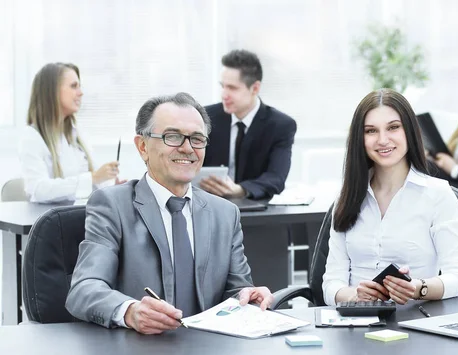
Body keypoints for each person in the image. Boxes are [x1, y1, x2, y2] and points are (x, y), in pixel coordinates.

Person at [66, 92, 273, 334]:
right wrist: (130, 311)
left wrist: (249, 296)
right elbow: (84, 288)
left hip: (208, 347)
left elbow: (236, 291)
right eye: (172, 137)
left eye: (197, 139)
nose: (187, 148)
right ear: (143, 146)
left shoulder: (225, 214)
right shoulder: (112, 205)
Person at [322, 89, 458, 307]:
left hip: (414, 323)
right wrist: (355, 295)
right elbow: (330, 284)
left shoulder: (438, 194)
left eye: (393, 127)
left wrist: (418, 288)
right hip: (354, 324)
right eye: (371, 131)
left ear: (409, 131)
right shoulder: (348, 196)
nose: (383, 140)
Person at [18, 63, 122, 203]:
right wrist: (93, 177)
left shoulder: (76, 135)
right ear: (52, 92)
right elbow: (38, 189)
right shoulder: (32, 137)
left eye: (79, 86)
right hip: (54, 222)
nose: (81, 92)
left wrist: (111, 187)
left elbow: (93, 182)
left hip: (78, 217)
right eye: (74, 86)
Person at [201, 49, 297, 200]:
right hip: (209, 205)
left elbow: (276, 178)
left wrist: (240, 190)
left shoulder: (280, 125)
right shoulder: (206, 117)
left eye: (232, 88)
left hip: (254, 209)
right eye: (222, 86)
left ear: (255, 88)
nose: (224, 94)